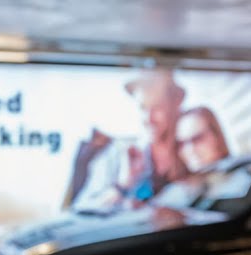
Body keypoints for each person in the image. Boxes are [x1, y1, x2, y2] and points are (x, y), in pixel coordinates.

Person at [70, 69, 189, 212]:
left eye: (157, 108)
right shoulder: (117, 153)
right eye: (143, 108)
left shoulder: (192, 149)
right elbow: (82, 207)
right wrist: (122, 187)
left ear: (175, 106)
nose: (149, 119)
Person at [176, 106, 232, 173]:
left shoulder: (246, 173)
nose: (190, 150)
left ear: (216, 136)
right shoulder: (182, 183)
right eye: (181, 144)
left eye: (197, 139)